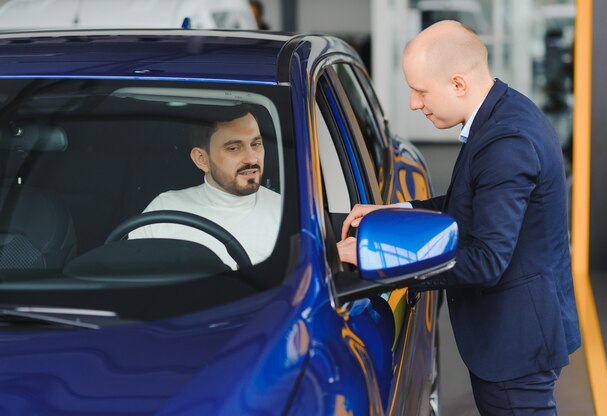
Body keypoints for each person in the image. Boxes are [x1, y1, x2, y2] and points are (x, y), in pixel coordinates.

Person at [340, 20, 580, 414]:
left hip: (515, 344)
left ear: (458, 84)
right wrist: (395, 210)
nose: (414, 104)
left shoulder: (507, 143)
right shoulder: (505, 112)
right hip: (518, 330)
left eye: (420, 91)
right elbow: (472, 202)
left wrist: (380, 260)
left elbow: (486, 261)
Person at [129, 108, 281, 270]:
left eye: (256, 144)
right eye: (234, 148)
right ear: (202, 159)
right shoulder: (164, 209)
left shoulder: (291, 213)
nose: (252, 158)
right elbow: (129, 278)